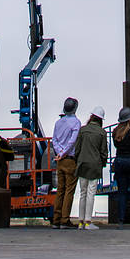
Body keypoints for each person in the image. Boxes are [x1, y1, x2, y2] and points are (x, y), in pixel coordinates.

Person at [73, 106, 109, 228]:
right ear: (101, 120)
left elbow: (77, 149)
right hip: (94, 165)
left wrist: (77, 160)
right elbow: (104, 152)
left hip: (82, 164)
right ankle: (88, 221)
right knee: (90, 193)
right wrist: (102, 163)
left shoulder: (83, 130)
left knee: (82, 193)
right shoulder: (102, 133)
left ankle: (80, 222)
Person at [50, 97, 81, 228]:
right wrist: (64, 153)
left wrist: (59, 153)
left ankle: (56, 219)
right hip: (70, 159)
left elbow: (54, 140)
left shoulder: (58, 123)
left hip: (60, 161)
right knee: (69, 190)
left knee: (60, 190)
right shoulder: (76, 123)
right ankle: (65, 220)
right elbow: (72, 141)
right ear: (75, 108)